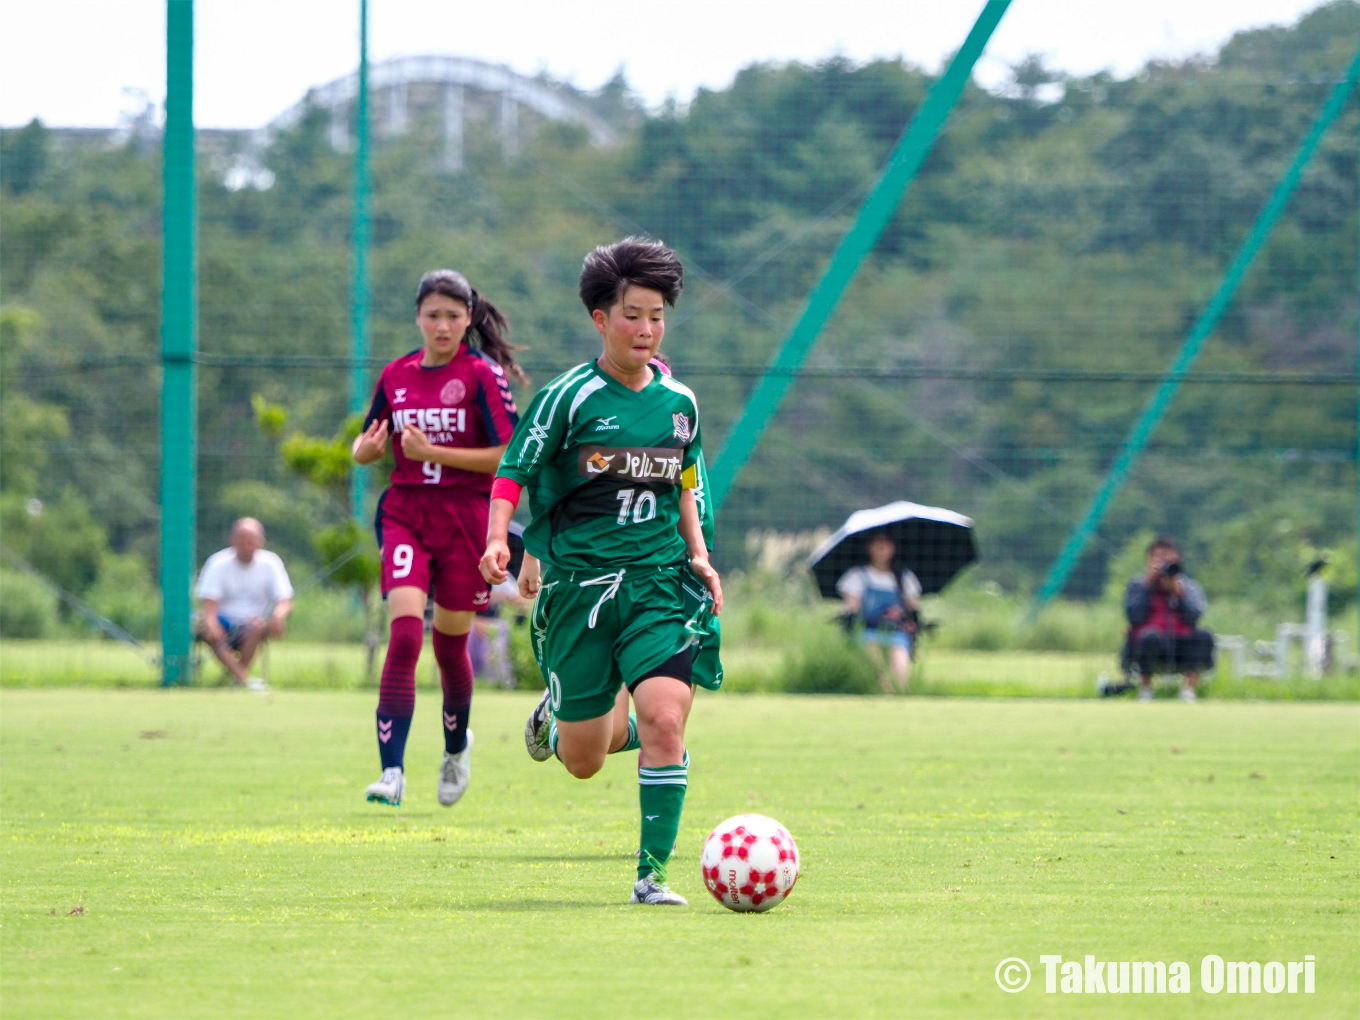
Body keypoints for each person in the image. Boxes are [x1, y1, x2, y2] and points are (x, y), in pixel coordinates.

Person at [480, 236, 723, 907]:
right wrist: (502, 541)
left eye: (658, 317)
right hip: (579, 588)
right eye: (634, 316)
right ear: (600, 319)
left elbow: (688, 481)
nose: (647, 329)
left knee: (666, 719)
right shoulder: (568, 398)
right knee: (585, 759)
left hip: (656, 584)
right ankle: (559, 723)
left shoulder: (681, 403)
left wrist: (698, 554)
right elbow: (514, 472)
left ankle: (652, 877)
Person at [351, 269, 523, 808]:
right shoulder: (396, 374)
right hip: (406, 512)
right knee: (404, 636)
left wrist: (437, 455)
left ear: (468, 317)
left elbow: (508, 455)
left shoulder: (482, 375)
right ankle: (392, 772)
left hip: (467, 517)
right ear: (418, 318)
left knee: (450, 647)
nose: (442, 325)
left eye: (453, 315)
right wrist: (364, 453)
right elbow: (368, 437)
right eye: (433, 315)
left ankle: (455, 747)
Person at [196, 517, 293, 692]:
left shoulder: (271, 563)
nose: (248, 546)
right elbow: (209, 606)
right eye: (242, 541)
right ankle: (243, 679)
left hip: (253, 623)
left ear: (260, 542)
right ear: (233, 541)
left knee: (257, 626)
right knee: (208, 628)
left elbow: (285, 600)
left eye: (252, 541)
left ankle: (240, 679)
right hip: (223, 619)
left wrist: (279, 615)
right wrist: (211, 624)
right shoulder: (217, 563)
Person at [1123, 536, 1213, 702]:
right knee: (1149, 636)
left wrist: (1179, 594)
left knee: (1204, 635)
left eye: (1167, 559)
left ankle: (1188, 689)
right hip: (1150, 643)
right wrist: (1147, 586)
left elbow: (1195, 617)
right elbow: (1133, 617)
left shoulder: (1189, 586)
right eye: (1158, 559)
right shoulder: (1137, 585)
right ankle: (1146, 689)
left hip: (1181, 643)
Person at [835, 531, 921, 694]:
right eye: (877, 543)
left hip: (896, 632)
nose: (882, 548)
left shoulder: (904, 578)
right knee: (874, 658)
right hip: (868, 631)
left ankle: (899, 693)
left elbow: (913, 610)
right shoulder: (857, 576)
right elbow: (852, 609)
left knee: (900, 661)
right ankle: (884, 693)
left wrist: (902, 616)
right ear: (869, 547)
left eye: (886, 543)